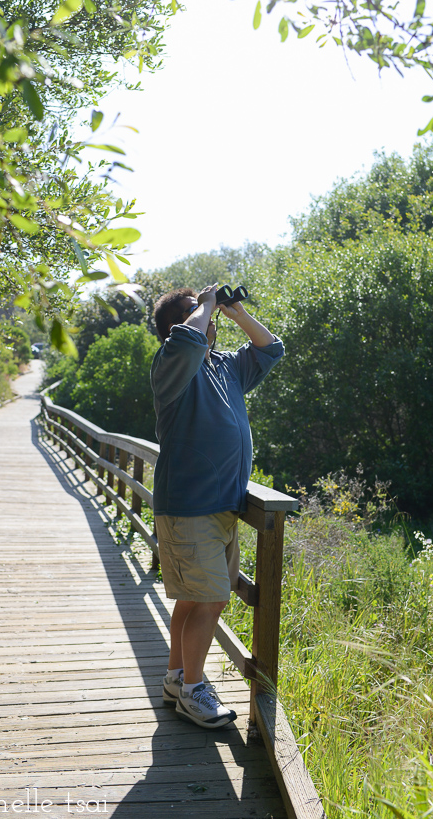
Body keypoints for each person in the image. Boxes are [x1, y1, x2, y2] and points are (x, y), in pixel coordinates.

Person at [150, 283, 284, 729]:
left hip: (221, 506)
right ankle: (193, 691)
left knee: (196, 598)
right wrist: (203, 304)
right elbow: (187, 339)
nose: (208, 318)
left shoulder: (224, 367)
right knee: (209, 599)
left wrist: (234, 310)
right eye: (197, 312)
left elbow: (270, 348)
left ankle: (176, 678)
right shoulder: (173, 366)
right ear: (176, 326)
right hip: (190, 505)